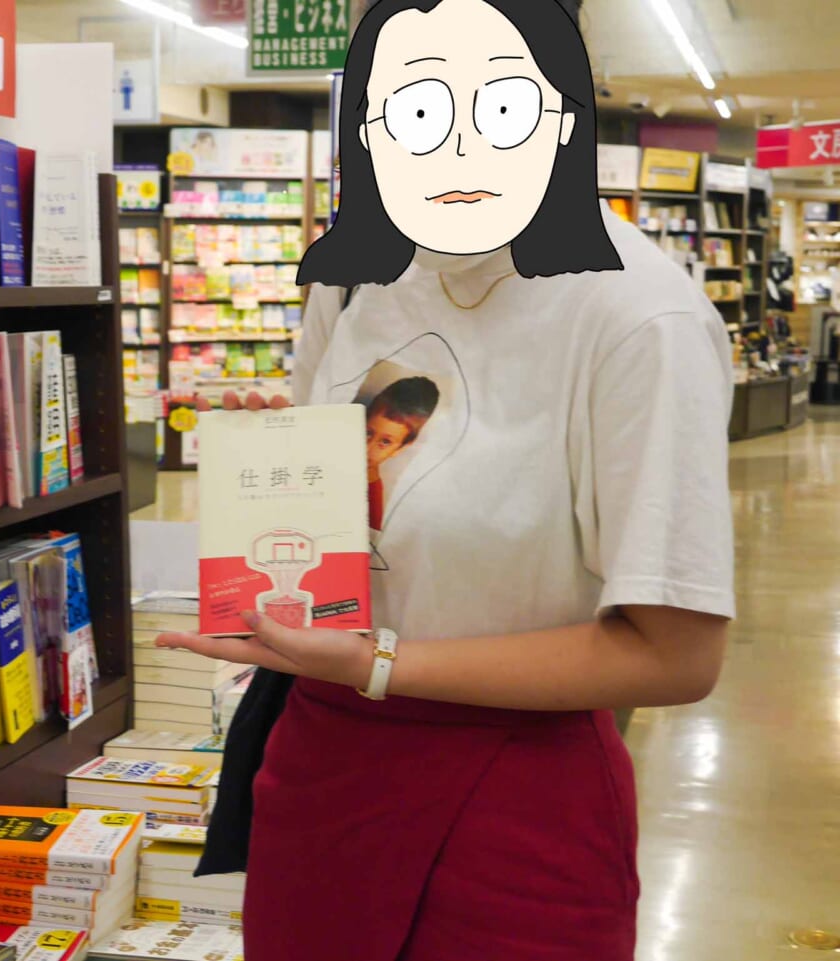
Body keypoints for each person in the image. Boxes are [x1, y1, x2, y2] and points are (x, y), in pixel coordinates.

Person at [158, 1, 735, 960]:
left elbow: (676, 653)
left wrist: (384, 663)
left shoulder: (640, 318)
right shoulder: (354, 273)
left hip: (515, 798)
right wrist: (279, 486)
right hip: (319, 769)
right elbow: (336, 526)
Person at [364, 377, 440, 530]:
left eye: (385, 442)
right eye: (367, 433)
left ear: (400, 448)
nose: (366, 449)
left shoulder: (372, 498)